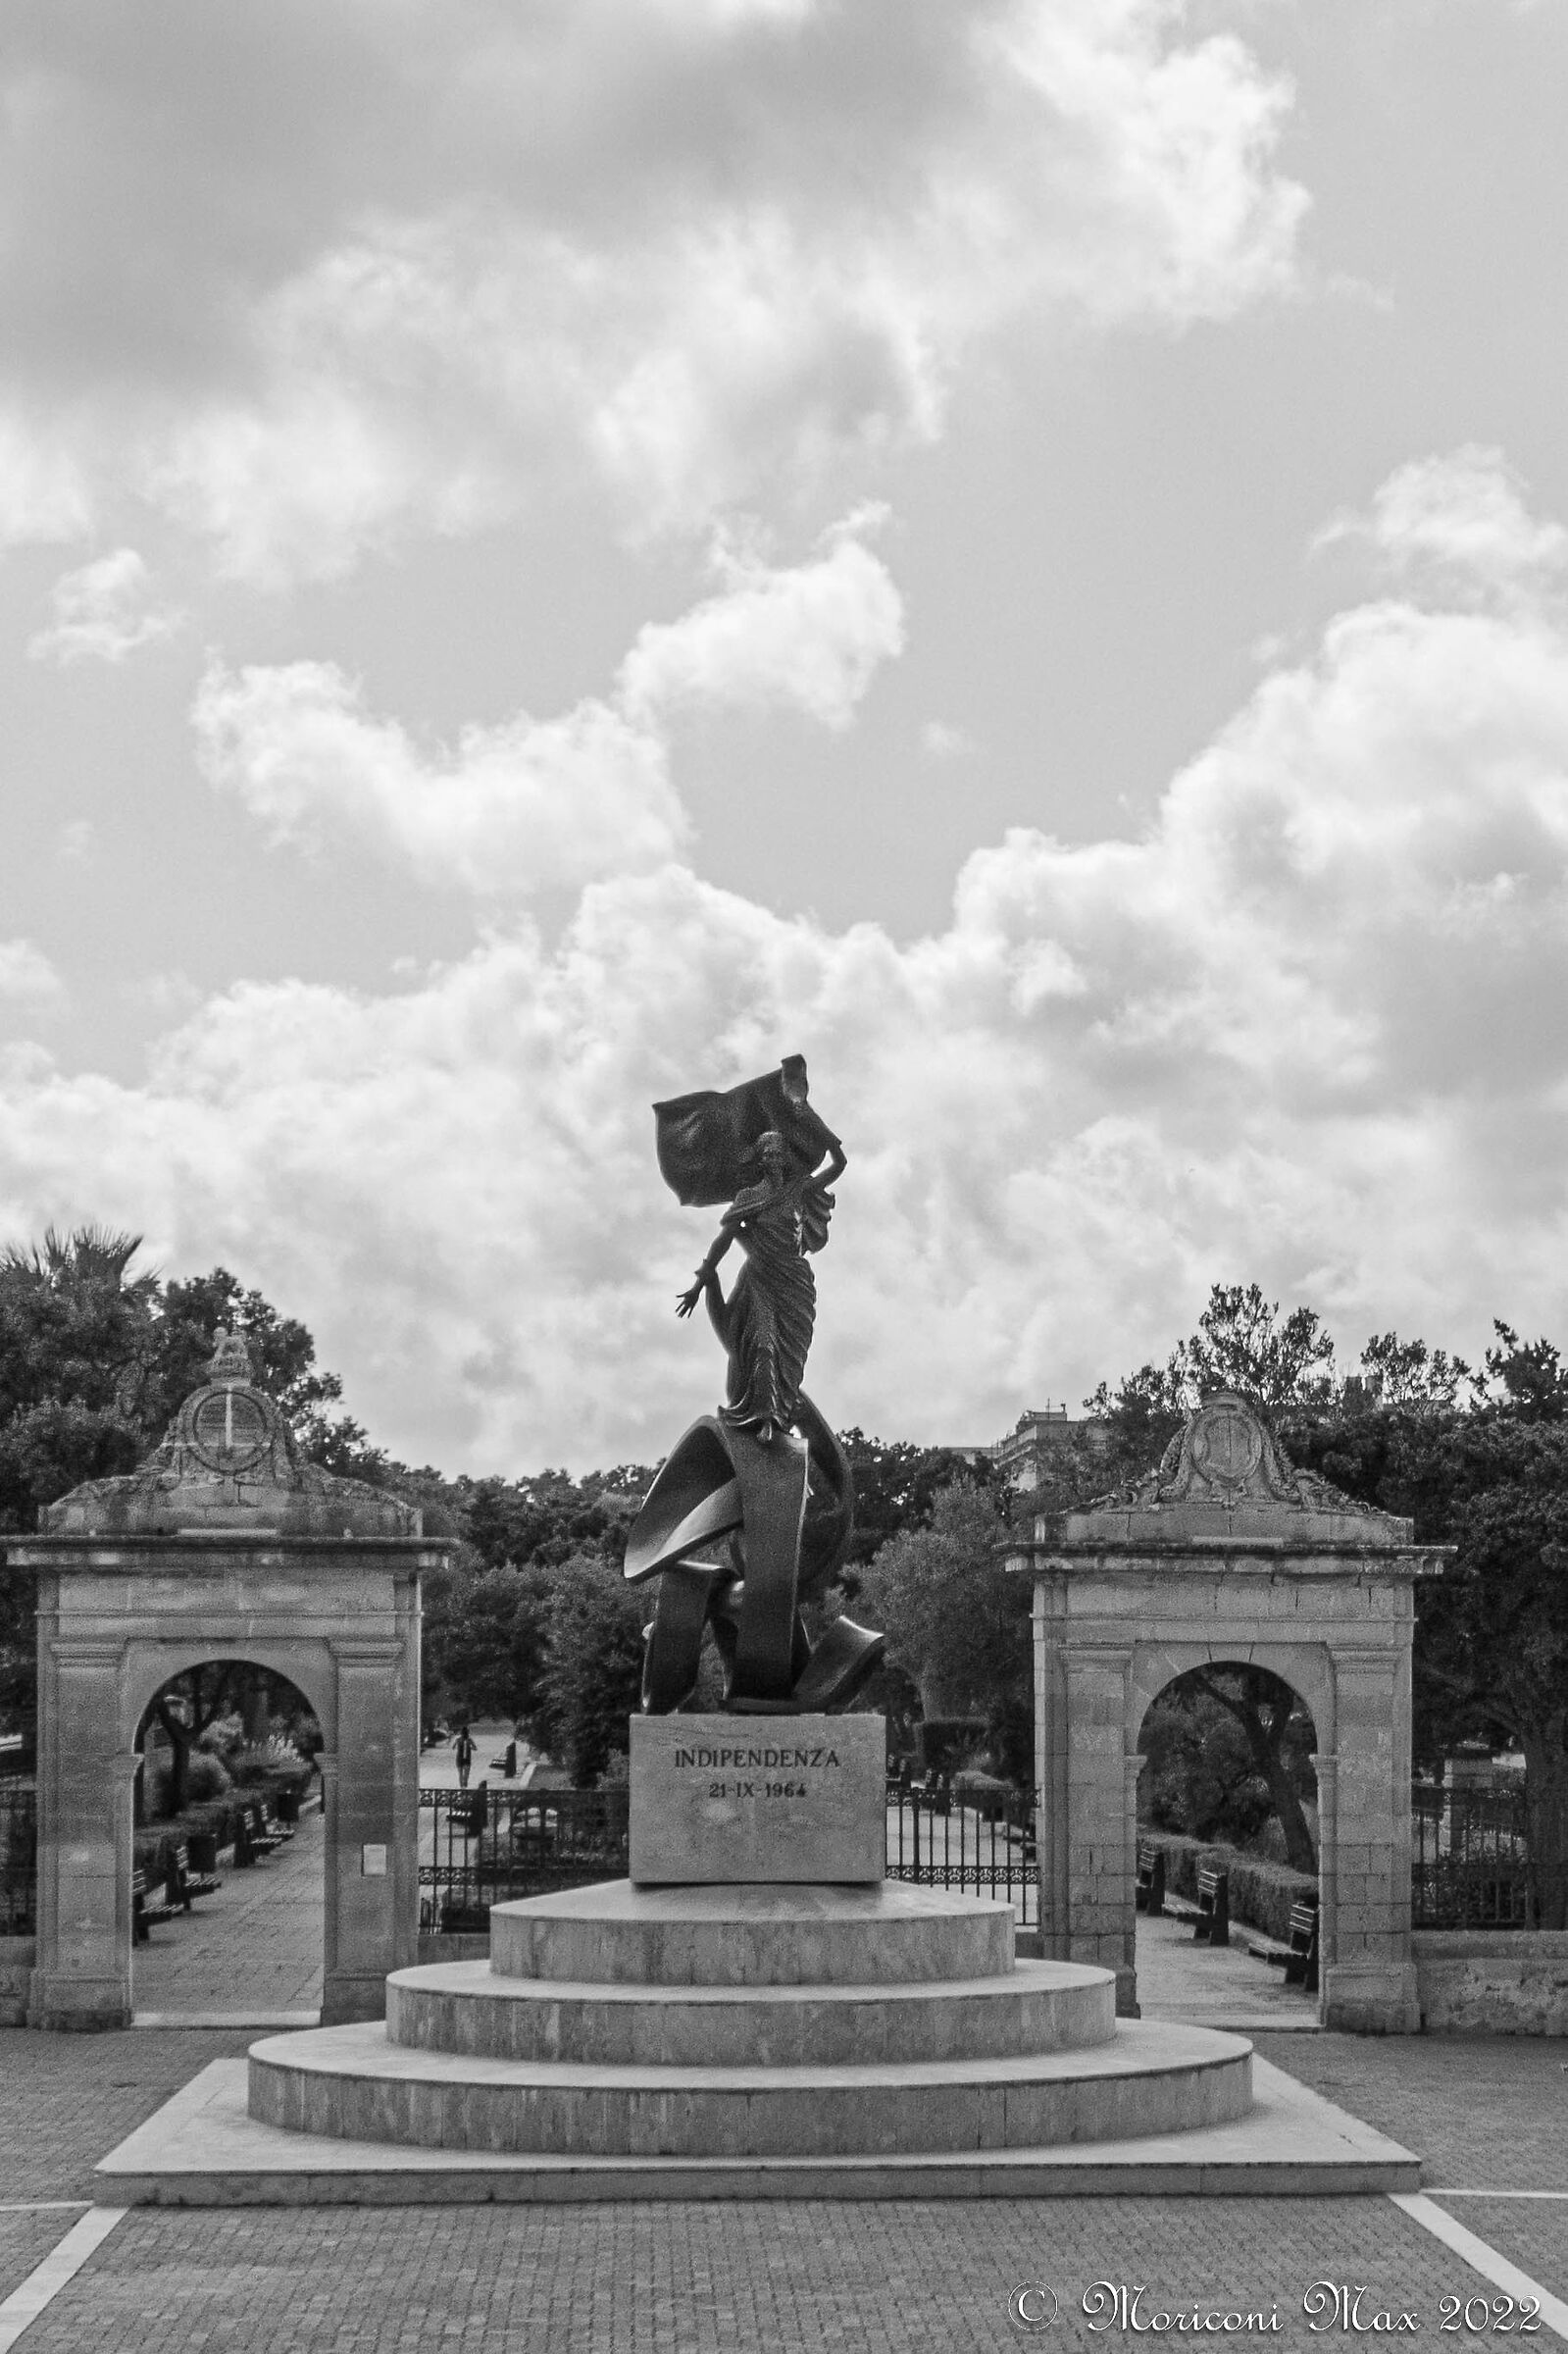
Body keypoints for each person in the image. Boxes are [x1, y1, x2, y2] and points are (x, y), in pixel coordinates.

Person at [677, 1125, 846, 1444]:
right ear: (759, 1160)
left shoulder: (800, 1190)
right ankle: (763, 1418)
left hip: (794, 1285)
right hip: (759, 1283)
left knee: (790, 1360)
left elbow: (839, 1164)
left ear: (785, 1158)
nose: (771, 1158)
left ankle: (781, 1414)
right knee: (763, 1347)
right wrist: (699, 1283)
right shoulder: (749, 1198)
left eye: (777, 1153)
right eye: (766, 1154)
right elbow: (723, 1241)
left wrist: (810, 1119)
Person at [453, 1724, 474, 1791]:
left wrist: (458, 1747)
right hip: (467, 1759)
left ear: (461, 1733)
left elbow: (453, 1747)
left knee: (460, 1774)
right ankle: (465, 1786)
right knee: (466, 1774)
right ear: (468, 1732)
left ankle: (461, 1787)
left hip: (459, 1758)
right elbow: (475, 1748)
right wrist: (469, 1747)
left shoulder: (458, 1740)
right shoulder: (469, 1740)